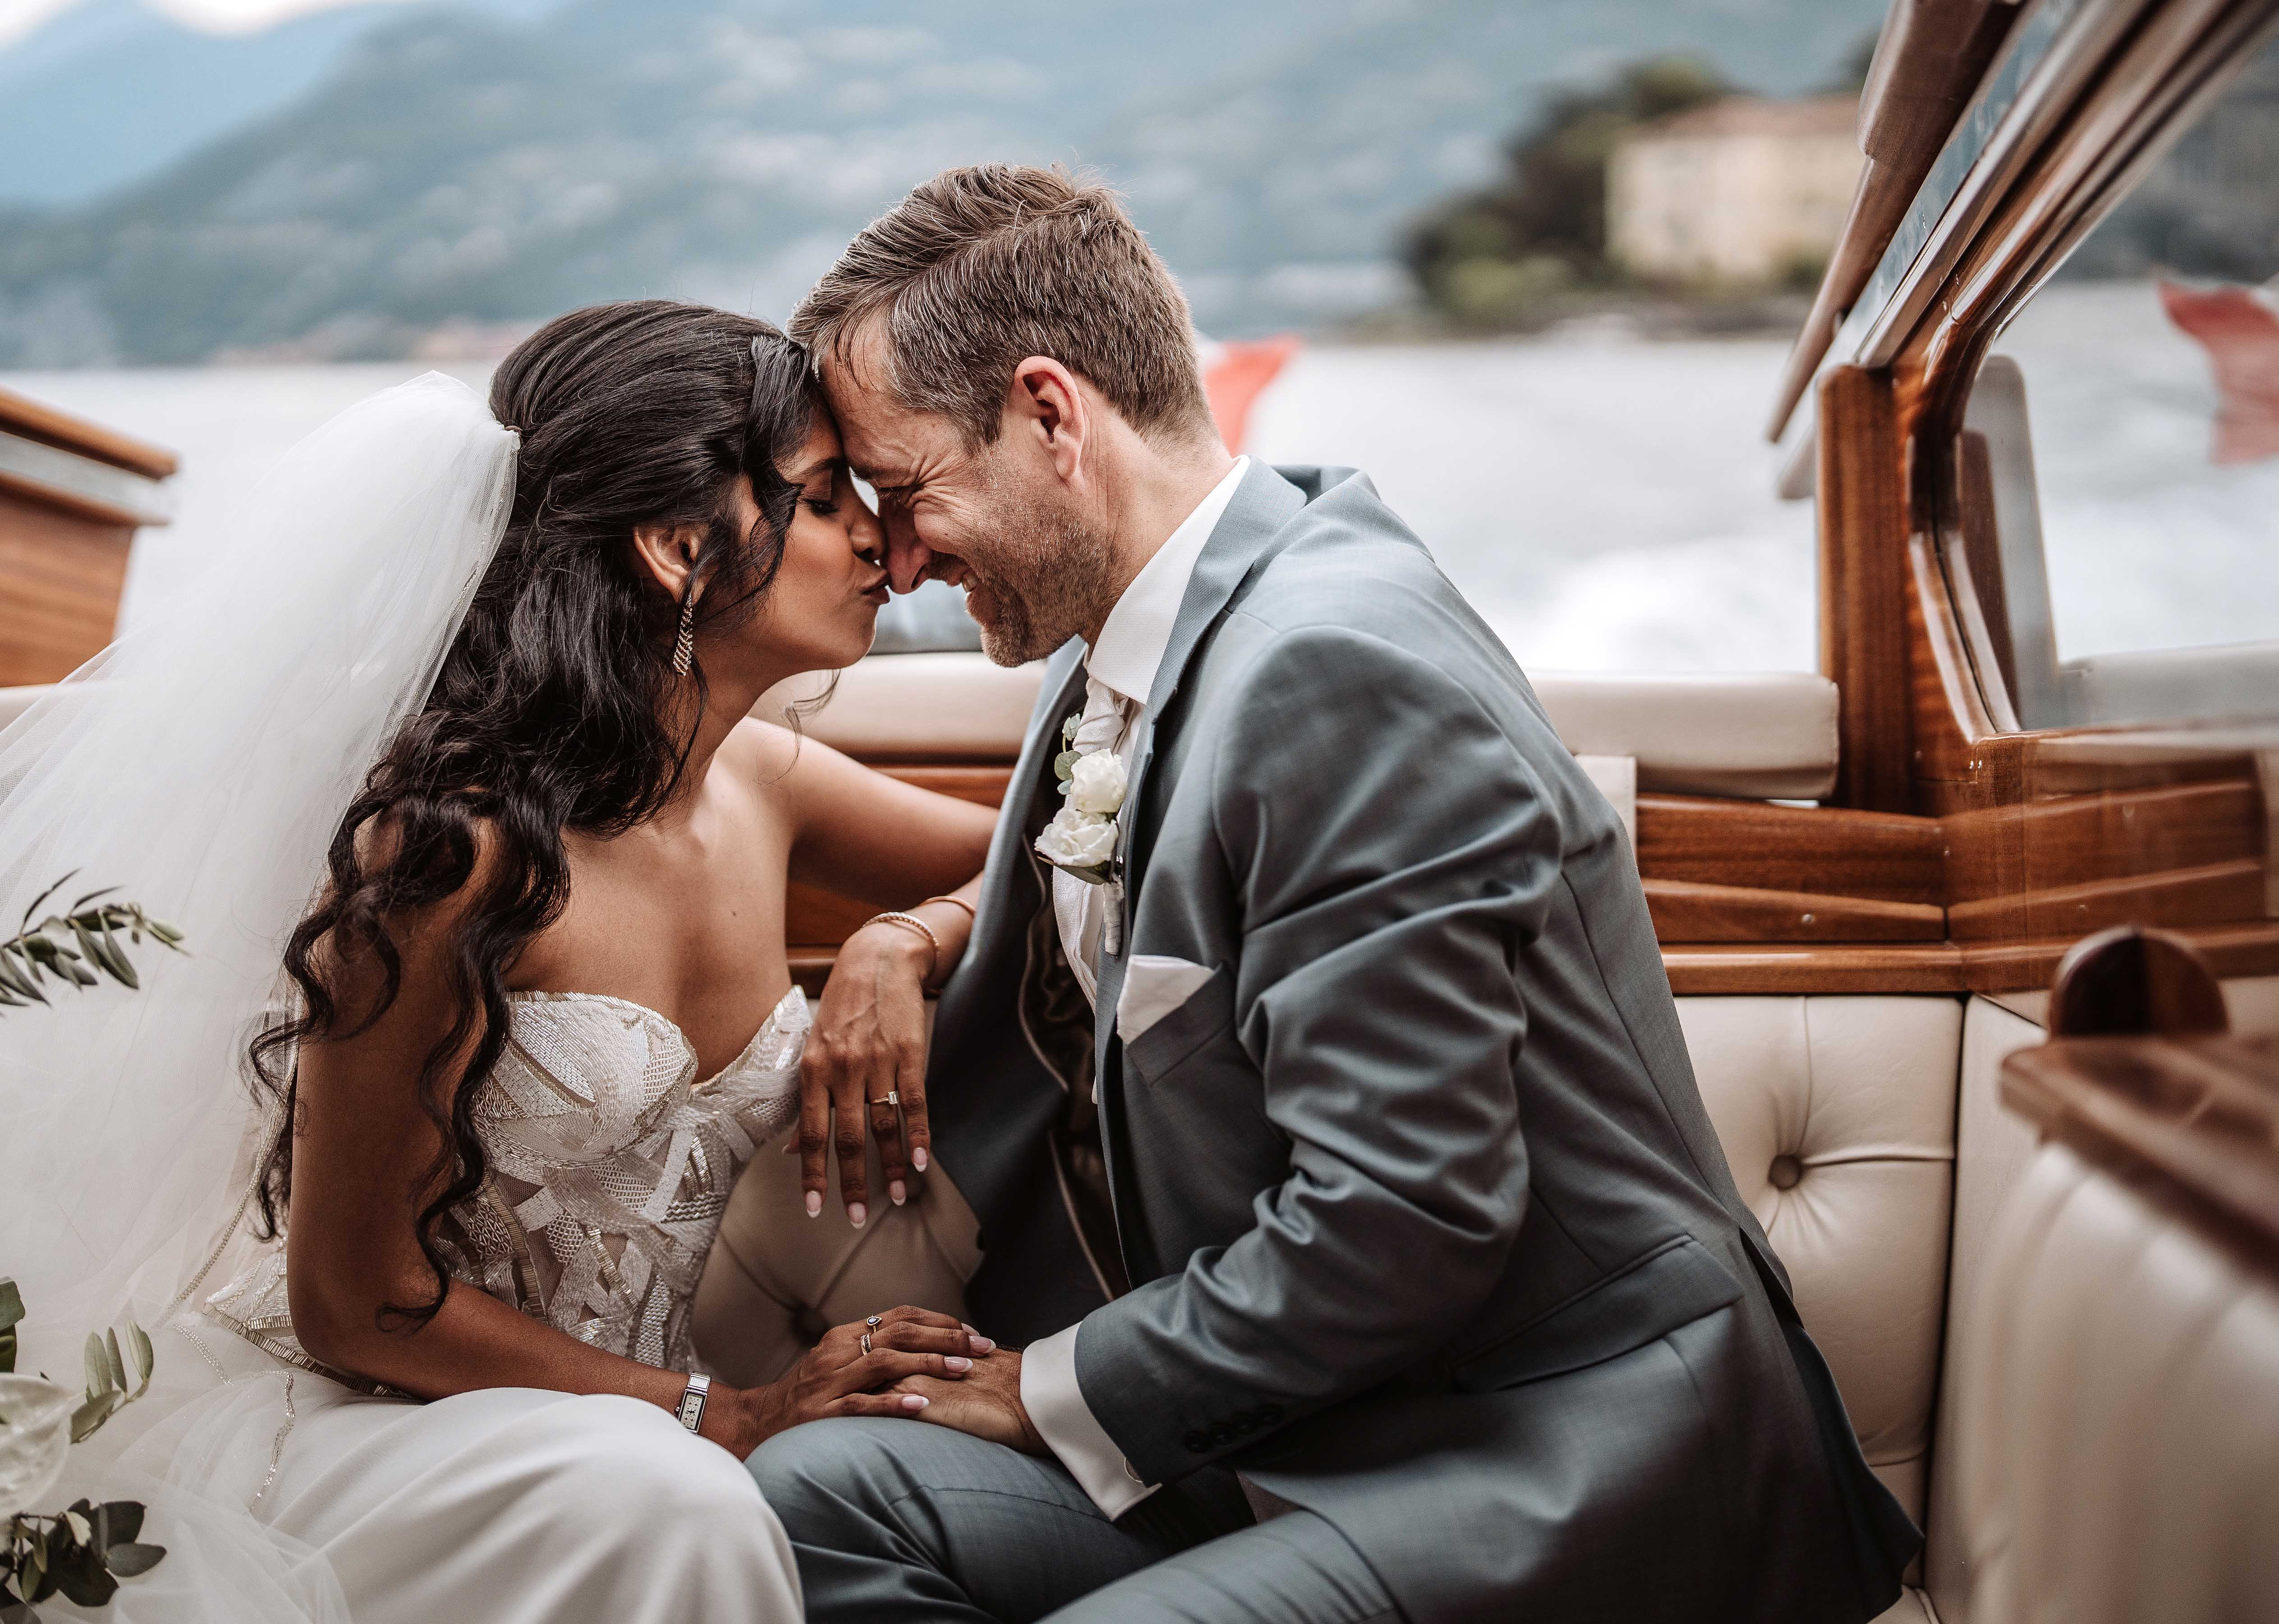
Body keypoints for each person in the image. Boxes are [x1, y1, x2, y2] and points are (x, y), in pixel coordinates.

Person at [748, 164, 1924, 1624]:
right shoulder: (1132, 638)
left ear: (1052, 416)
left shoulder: (1332, 670)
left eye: (909, 491)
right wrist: (907, 937)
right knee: (801, 1509)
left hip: (1552, 1445)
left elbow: (1407, 1217)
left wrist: (1048, 1386)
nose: (903, 556)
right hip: (1318, 1427)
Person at [0, 301, 998, 1624]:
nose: (880, 534)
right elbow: (357, 1301)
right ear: (679, 545)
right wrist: (720, 1412)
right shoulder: (449, 852)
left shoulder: (766, 779)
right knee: (675, 1509)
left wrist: (902, 937)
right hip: (385, 1416)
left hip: (631, 1413)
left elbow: (1047, 864)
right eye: (823, 500)